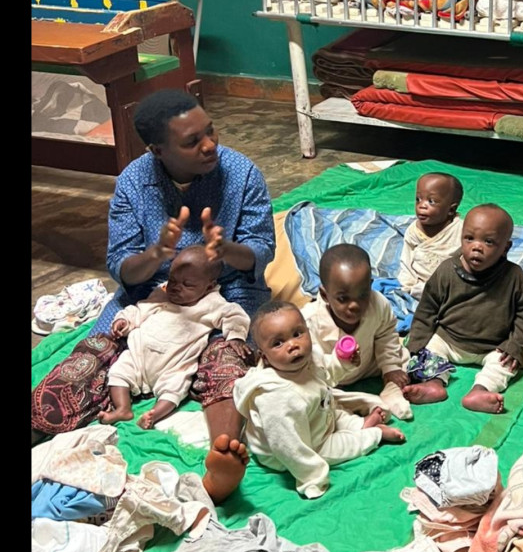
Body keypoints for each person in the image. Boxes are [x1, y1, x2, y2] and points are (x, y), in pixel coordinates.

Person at [30, 89, 276, 503]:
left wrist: (227, 251)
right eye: (192, 141)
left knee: (228, 358)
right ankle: (38, 427)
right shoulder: (134, 181)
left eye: (210, 131)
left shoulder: (241, 173)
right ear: (158, 150)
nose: (210, 145)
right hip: (150, 294)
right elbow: (122, 268)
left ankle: (223, 459)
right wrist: (155, 255)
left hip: (229, 290)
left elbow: (262, 250)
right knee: (92, 355)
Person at [234, 302, 405, 499]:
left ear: (308, 331)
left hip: (318, 414)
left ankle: (360, 424)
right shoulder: (276, 397)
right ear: (263, 356)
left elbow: (326, 372)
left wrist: (342, 361)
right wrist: (312, 477)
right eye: (278, 343)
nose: (292, 345)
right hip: (290, 448)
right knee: (338, 446)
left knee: (338, 413)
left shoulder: (310, 357)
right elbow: (289, 447)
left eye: (297, 334)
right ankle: (374, 434)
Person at [99, 247, 251, 429]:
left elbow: (235, 315)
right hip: (138, 356)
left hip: (174, 364)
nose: (176, 288)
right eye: (172, 280)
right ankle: (122, 408)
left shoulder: (212, 303)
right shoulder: (162, 293)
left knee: (177, 387)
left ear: (209, 286)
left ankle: (154, 414)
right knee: (118, 371)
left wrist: (235, 337)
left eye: (187, 285)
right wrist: (124, 321)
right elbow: (139, 309)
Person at [404, 204, 523, 414]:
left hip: (493, 346)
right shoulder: (447, 270)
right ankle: (433, 383)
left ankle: (480, 391)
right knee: (429, 351)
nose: (476, 247)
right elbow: (427, 309)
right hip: (448, 340)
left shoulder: (514, 276)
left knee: (506, 363)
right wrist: (415, 344)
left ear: (506, 247)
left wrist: (515, 345)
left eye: (488, 242)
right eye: (469, 238)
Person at [302, 244, 413, 420]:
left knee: (405, 358)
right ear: (324, 295)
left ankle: (391, 388)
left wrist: (390, 368)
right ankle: (365, 405)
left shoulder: (378, 304)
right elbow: (313, 362)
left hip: (370, 364)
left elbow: (386, 335)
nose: (354, 305)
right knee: (312, 392)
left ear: (370, 286)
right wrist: (335, 368)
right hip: (332, 378)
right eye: (343, 298)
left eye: (362, 295)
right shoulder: (309, 322)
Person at [397, 171, 464, 299]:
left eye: (431, 201)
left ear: (451, 209)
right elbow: (406, 259)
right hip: (421, 283)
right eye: (418, 199)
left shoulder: (460, 230)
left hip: (450, 284)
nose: (422, 206)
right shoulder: (414, 230)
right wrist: (408, 284)